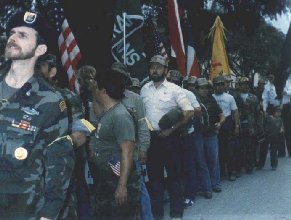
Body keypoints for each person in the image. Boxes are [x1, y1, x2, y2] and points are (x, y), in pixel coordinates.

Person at [0, 11, 75, 219]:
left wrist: (48, 215)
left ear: (40, 49)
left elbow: (59, 164)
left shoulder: (51, 102)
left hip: (23, 209)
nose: (13, 38)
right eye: (12, 33)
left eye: (23, 35)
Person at [36, 54, 95, 220]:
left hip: (63, 163)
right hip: (33, 170)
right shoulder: (24, 98)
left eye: (39, 67)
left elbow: (80, 135)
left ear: (52, 71)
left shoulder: (66, 97)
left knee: (71, 198)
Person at [140, 55, 194, 220]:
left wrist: (171, 129)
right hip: (151, 139)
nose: (155, 69)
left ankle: (176, 213)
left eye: (158, 67)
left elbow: (189, 112)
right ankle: (157, 215)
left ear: (165, 70)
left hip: (171, 138)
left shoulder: (174, 89)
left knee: (174, 177)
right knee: (155, 179)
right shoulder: (144, 89)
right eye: (152, 67)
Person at [89, 69, 140, 219]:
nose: (94, 89)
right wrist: (93, 92)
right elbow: (98, 112)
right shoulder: (109, 112)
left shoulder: (120, 116)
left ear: (103, 91)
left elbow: (128, 152)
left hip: (120, 180)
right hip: (108, 178)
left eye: (96, 87)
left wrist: (122, 186)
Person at [111, 62, 153, 220]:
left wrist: (143, 148)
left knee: (139, 188)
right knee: (114, 191)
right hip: (111, 154)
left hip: (132, 152)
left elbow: (143, 125)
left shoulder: (135, 99)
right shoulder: (102, 96)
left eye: (120, 77)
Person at [195, 78, 225, 194]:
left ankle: (215, 183)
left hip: (211, 133)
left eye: (206, 88)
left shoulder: (211, 100)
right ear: (197, 89)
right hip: (198, 134)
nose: (204, 90)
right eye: (202, 88)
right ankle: (206, 187)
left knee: (213, 159)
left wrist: (220, 123)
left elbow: (222, 115)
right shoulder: (193, 100)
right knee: (201, 161)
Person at [212, 75, 240, 181]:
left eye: (222, 84)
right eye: (217, 84)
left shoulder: (230, 97)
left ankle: (232, 171)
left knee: (230, 150)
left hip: (228, 124)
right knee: (218, 150)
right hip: (215, 124)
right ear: (214, 86)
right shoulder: (212, 97)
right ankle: (221, 172)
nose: (220, 87)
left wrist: (237, 126)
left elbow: (235, 111)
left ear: (225, 85)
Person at [237, 77, 260, 173]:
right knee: (239, 147)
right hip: (238, 125)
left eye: (247, 83)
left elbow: (258, 113)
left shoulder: (253, 97)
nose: (245, 85)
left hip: (250, 125)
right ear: (239, 85)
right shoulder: (235, 96)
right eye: (243, 84)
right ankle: (240, 165)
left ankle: (249, 166)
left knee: (250, 146)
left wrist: (258, 127)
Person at [258, 105, 284, 170]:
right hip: (266, 136)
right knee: (263, 151)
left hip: (275, 137)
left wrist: (281, 131)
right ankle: (260, 165)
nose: (279, 113)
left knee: (274, 151)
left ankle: (274, 165)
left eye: (280, 112)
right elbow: (263, 125)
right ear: (274, 112)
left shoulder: (280, 120)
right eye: (277, 112)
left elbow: (281, 129)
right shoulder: (268, 118)